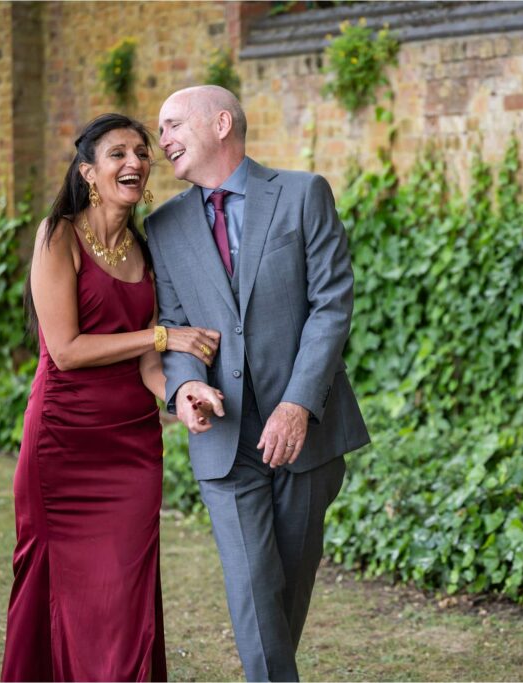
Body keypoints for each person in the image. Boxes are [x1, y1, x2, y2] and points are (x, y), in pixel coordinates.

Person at [146, 85, 370, 681]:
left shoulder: (303, 194)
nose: (161, 141)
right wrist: (185, 387)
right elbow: (174, 325)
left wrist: (298, 403)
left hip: (309, 435)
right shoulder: (163, 226)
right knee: (251, 588)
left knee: (282, 597)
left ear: (221, 123)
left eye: (171, 125)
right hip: (225, 439)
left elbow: (331, 305)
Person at [1, 113, 223, 682]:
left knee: (127, 594)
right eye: (117, 153)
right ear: (89, 173)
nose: (134, 162)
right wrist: (163, 334)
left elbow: (149, 365)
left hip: (131, 447)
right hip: (62, 442)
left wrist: (181, 396)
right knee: (52, 584)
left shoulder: (146, 252)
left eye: (141, 152)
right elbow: (68, 349)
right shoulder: (58, 236)